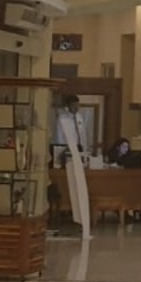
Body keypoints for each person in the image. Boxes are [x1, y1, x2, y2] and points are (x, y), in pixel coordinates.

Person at [54, 93, 91, 239]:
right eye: (74, 105)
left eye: (78, 105)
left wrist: (85, 152)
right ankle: (69, 212)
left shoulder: (80, 118)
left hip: (79, 152)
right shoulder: (63, 119)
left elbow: (83, 136)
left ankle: (80, 218)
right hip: (67, 152)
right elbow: (60, 137)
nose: (76, 108)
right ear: (68, 106)